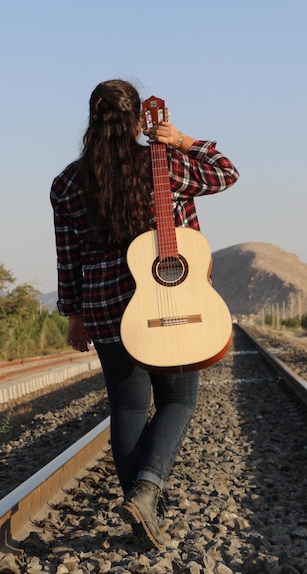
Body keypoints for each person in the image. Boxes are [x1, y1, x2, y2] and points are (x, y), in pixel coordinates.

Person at [50, 79, 239, 550]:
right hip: (172, 302)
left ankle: (141, 507)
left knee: (128, 406)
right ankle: (148, 490)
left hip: (106, 303)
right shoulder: (166, 163)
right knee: (178, 401)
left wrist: (74, 313)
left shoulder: (68, 183)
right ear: (140, 120)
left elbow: (67, 255)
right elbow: (225, 172)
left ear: (92, 120)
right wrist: (182, 140)